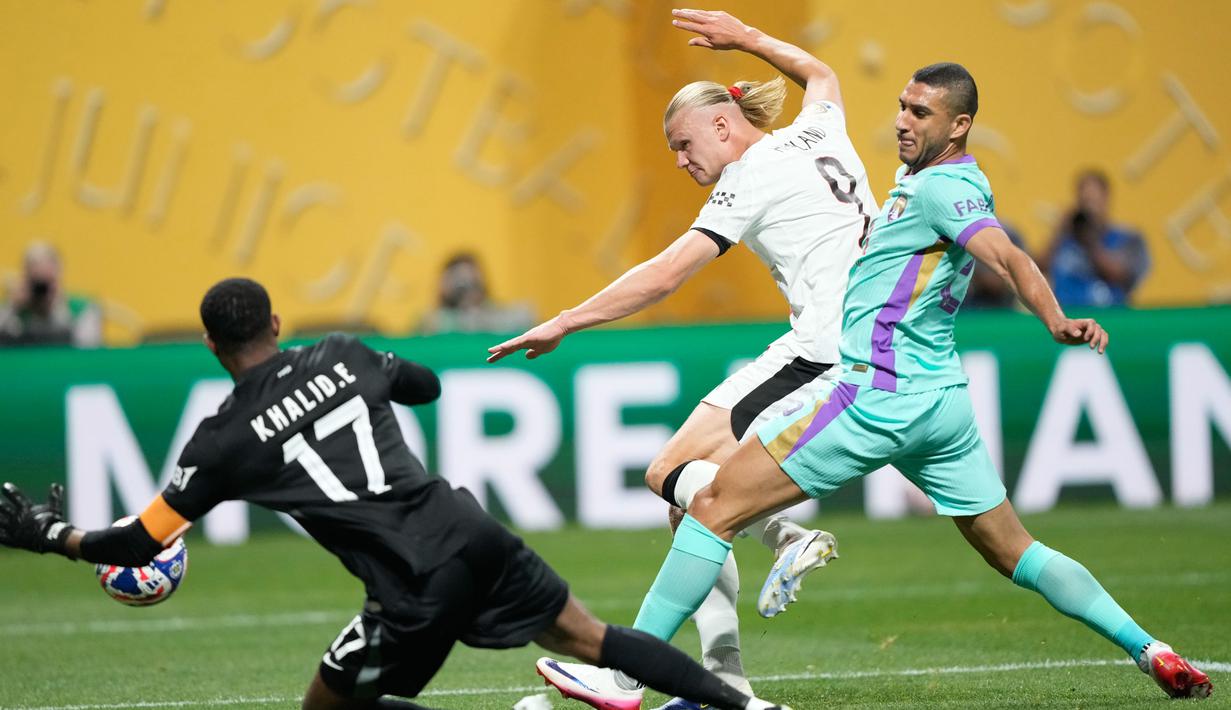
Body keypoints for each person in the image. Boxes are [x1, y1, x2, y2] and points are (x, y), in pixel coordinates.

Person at [538, 63, 1212, 702]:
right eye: (900, 106)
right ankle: (1146, 647)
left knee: (710, 506)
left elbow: (1003, 253)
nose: (901, 120)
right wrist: (749, 36)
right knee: (1015, 552)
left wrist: (1054, 317)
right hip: (939, 401)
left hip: (873, 395)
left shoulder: (939, 191)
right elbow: (824, 81)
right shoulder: (953, 179)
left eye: (920, 112)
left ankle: (624, 679)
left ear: (958, 126)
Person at [0, 277, 792, 710]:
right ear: (277, 321)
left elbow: (140, 540)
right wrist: (363, 367)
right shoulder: (340, 354)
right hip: (467, 527)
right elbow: (425, 385)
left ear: (210, 345)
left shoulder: (221, 442)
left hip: (410, 578)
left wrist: (50, 535)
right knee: (590, 638)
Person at [488, 9, 876, 706]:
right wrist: (748, 38)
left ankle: (631, 665)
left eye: (682, 143)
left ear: (724, 126)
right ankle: (719, 681)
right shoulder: (818, 130)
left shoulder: (748, 176)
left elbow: (666, 274)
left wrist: (567, 322)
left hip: (826, 351)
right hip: (819, 342)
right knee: (677, 491)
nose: (679, 158)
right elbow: (820, 73)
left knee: (683, 483)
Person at [1042, 170, 1149, 307]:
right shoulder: (1065, 240)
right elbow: (1037, 269)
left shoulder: (1127, 238)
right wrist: (1058, 233)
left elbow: (1120, 275)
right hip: (1068, 317)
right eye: (1084, 201)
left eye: (1093, 201)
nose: (1089, 209)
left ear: (1106, 199)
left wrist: (1090, 241)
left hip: (1111, 316)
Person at [0, 240, 102, 347]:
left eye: (47, 282)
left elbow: (89, 351)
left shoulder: (82, 310)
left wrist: (57, 307)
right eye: (37, 282)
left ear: (58, 276)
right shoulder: (15, 314)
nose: (42, 289)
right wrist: (11, 306)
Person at [416, 251, 534, 334]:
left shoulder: (506, 316)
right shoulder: (431, 321)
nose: (466, 285)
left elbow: (525, 318)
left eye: (472, 281)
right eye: (458, 281)